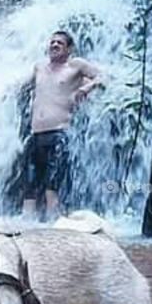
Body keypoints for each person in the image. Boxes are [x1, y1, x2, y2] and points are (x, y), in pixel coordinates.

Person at [23, 30, 103, 220]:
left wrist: (87, 87)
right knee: (29, 185)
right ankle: (25, 225)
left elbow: (102, 76)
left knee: (52, 185)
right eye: (52, 42)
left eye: (59, 43)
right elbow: (24, 86)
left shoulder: (75, 66)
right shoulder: (39, 67)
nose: (54, 45)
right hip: (35, 135)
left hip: (59, 134)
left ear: (69, 49)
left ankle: (53, 225)